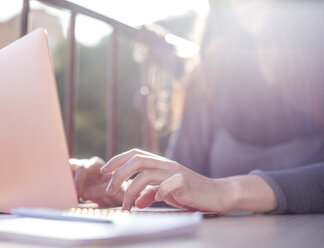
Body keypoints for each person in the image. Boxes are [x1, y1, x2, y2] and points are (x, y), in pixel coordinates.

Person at [71, 0, 324, 214]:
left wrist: (227, 190)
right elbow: (182, 185)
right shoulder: (208, 79)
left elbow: (212, 190)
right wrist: (127, 193)